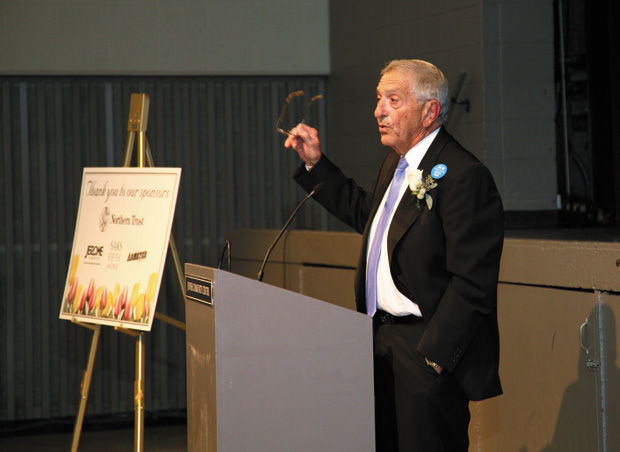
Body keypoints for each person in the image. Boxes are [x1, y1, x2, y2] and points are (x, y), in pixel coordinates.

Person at [285, 59, 504, 452]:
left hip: (423, 350)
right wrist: (316, 164)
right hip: (376, 340)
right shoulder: (396, 165)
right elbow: (369, 216)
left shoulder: (464, 175)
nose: (378, 110)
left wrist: (434, 358)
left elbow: (473, 281)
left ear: (430, 111)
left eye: (393, 99)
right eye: (378, 99)